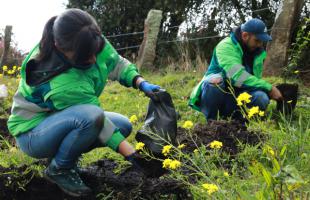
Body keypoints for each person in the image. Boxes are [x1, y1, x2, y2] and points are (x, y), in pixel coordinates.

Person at [7, 8, 160, 197]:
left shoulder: (88, 38)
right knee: (91, 118)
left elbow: (115, 62)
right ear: (60, 47)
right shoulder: (59, 80)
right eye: (85, 56)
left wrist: (140, 82)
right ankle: (59, 169)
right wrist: (132, 155)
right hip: (33, 133)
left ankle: (66, 161)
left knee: (122, 125)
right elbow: (95, 117)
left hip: (60, 119)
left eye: (94, 51)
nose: (93, 58)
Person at [189, 18, 283, 121]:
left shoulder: (257, 53)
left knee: (261, 97)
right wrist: (269, 87)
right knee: (215, 81)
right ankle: (213, 123)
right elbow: (236, 76)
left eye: (262, 41)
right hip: (220, 93)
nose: (260, 44)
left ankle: (244, 121)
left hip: (238, 94)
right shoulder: (226, 46)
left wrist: (268, 91)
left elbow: (252, 80)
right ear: (245, 35)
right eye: (257, 40)